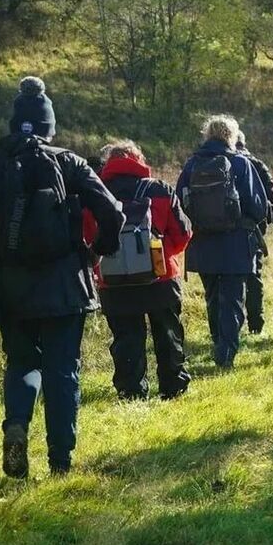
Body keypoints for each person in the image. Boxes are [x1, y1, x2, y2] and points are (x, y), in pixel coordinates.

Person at [0, 76, 124, 478]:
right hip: (65, 286)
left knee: (21, 364)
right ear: (50, 126)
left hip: (9, 290)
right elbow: (113, 213)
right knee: (63, 370)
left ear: (15, 124)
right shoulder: (69, 162)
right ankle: (60, 463)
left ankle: (16, 426)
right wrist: (96, 251)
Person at [85, 139, 193, 402]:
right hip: (161, 276)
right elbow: (184, 233)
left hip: (113, 280)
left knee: (125, 339)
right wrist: (159, 252)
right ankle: (173, 388)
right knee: (168, 334)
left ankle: (131, 391)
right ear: (139, 161)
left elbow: (87, 236)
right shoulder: (159, 189)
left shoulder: (96, 194)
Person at [176, 115, 267, 368]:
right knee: (233, 298)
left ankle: (218, 340)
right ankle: (226, 351)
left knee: (212, 295)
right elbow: (258, 207)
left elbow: (178, 203)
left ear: (206, 134)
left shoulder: (192, 164)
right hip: (236, 243)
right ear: (232, 136)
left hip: (203, 243)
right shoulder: (240, 163)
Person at [235, 130, 273, 335]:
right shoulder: (257, 164)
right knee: (253, 276)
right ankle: (255, 324)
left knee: (227, 279)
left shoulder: (216, 162)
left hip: (218, 231)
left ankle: (233, 325)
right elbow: (272, 198)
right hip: (252, 231)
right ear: (244, 142)